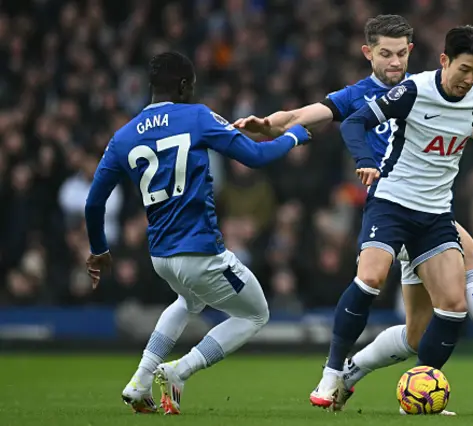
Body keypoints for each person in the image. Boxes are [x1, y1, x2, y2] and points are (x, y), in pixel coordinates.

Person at [233, 17, 473, 410]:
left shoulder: (448, 85)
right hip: (389, 201)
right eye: (386, 53)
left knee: (423, 330)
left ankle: (381, 379)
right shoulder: (363, 95)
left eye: (402, 53)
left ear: (414, 52)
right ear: (369, 54)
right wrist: (269, 126)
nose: (396, 61)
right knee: (455, 263)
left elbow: (467, 123)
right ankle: (338, 372)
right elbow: (301, 115)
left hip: (432, 207)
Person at [83, 51, 311, 415]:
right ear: (186, 85)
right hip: (201, 251)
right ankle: (179, 370)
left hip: (160, 256)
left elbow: (94, 203)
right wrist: (295, 136)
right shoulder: (197, 116)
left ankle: (140, 381)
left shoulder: (122, 136)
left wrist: (99, 249)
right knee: (256, 315)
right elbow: (255, 157)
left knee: (188, 302)